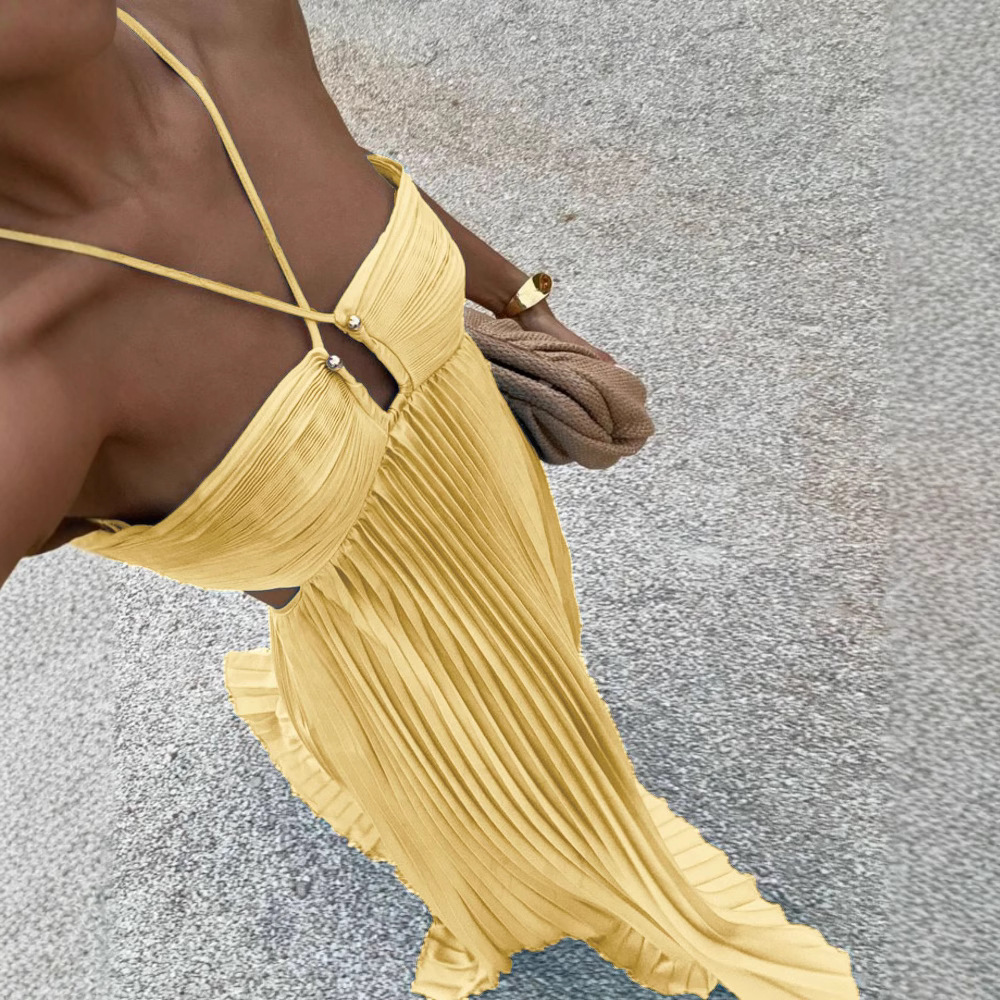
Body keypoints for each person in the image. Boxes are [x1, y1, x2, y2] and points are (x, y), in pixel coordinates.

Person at [0, 5, 862, 1000]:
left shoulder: (218, 17)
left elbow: (353, 175)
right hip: (397, 662)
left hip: (500, 494)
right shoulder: (23, 382)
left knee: (549, 650)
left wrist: (523, 304)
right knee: (498, 804)